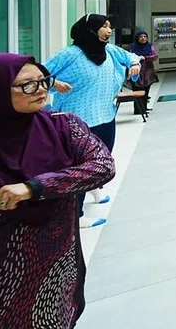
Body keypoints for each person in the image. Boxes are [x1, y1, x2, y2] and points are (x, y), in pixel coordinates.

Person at [0, 55, 117, 329]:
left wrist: (34, 187)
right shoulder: (72, 54)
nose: (40, 89)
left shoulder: (62, 125)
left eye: (43, 82)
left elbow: (102, 165)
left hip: (55, 262)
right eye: (27, 85)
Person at [44, 15, 140, 228]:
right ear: (90, 30)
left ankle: (94, 187)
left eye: (109, 26)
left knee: (101, 159)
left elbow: (132, 57)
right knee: (78, 168)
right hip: (76, 122)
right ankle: (75, 217)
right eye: (104, 26)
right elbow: (39, 74)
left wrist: (133, 64)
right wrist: (55, 82)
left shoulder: (110, 51)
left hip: (105, 116)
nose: (108, 30)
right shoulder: (70, 54)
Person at [128, 29, 158, 115]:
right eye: (141, 37)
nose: (143, 38)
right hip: (136, 71)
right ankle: (138, 109)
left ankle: (144, 108)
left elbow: (155, 56)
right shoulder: (132, 47)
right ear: (137, 38)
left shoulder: (149, 46)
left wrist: (145, 58)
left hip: (148, 71)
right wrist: (137, 58)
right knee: (137, 89)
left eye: (145, 36)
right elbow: (129, 57)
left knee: (146, 89)